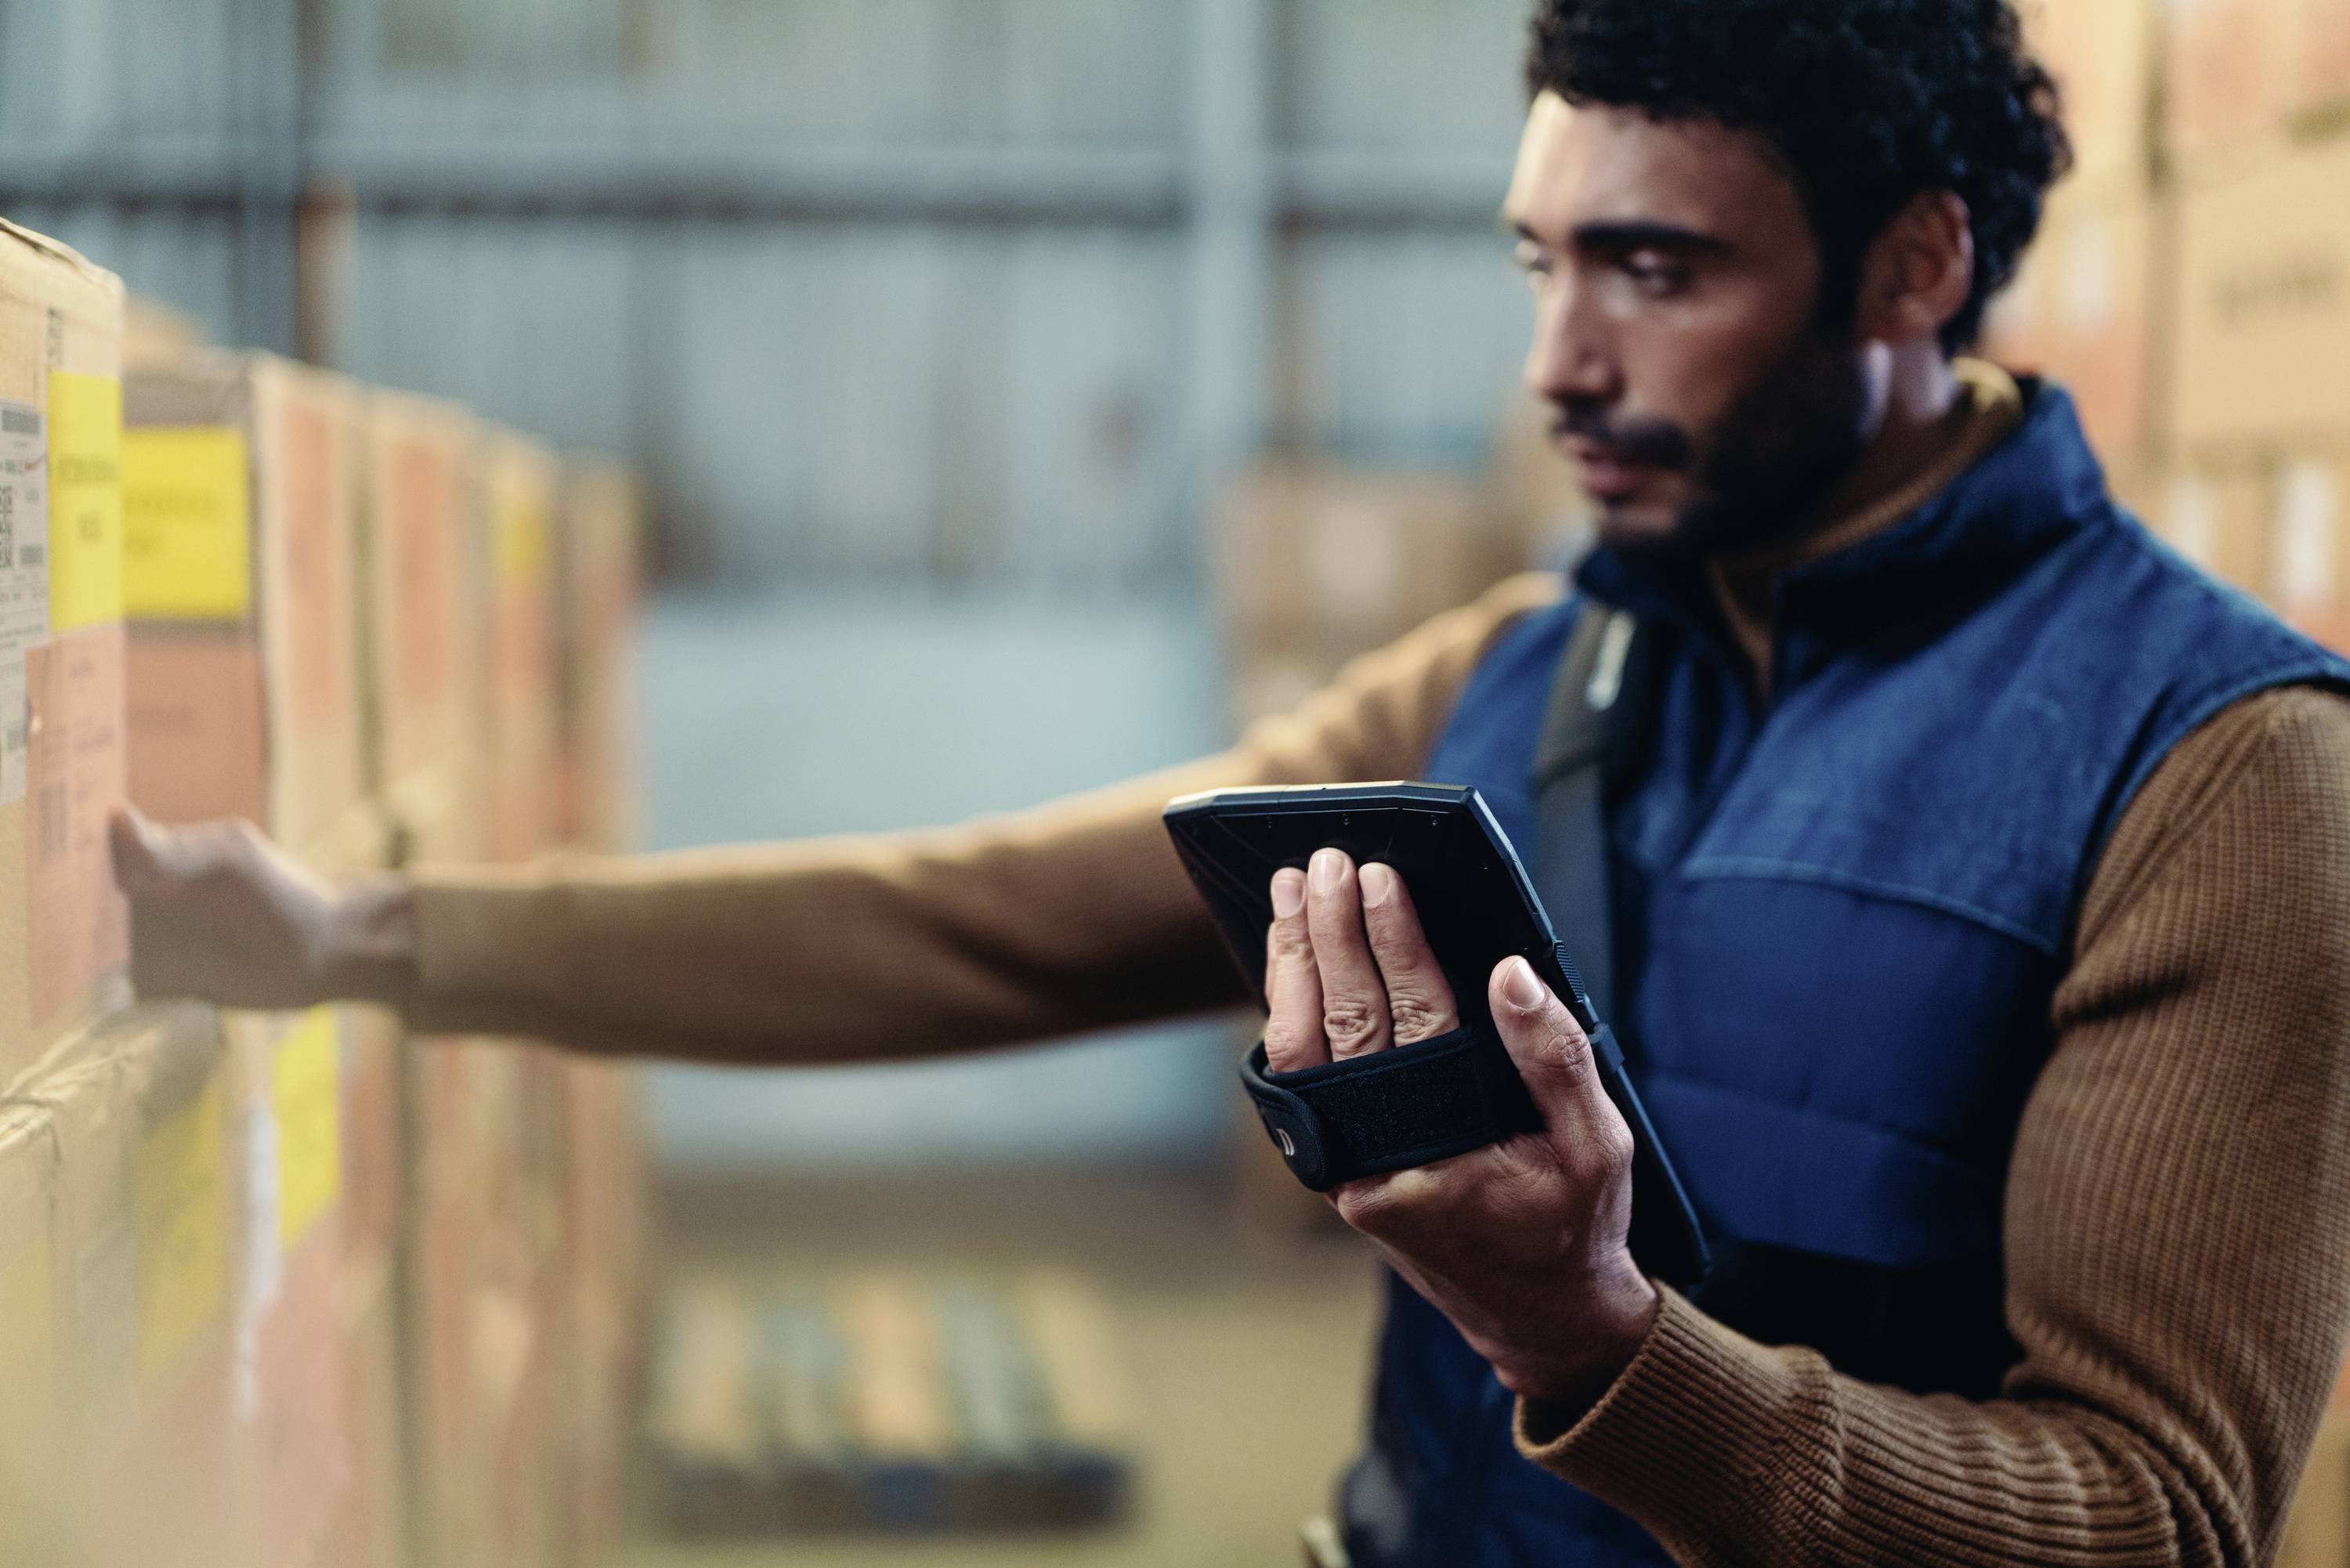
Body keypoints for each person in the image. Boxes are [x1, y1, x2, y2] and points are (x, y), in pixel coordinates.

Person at [112, 0, 2350, 1563]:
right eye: (1542, 260)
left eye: (1654, 271)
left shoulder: (2215, 769)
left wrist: (1602, 1343)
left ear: (1916, 264)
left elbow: (2151, 1518)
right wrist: (358, 940)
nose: (1559, 360)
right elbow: (966, 916)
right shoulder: (1526, 670)